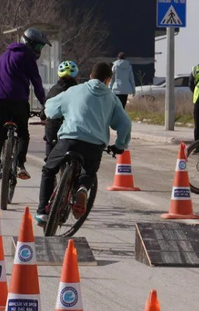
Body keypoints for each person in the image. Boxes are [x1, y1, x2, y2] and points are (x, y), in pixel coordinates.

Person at [38, 62, 132, 224]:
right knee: (88, 173)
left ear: (90, 76)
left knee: (49, 170)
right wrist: (119, 145)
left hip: (69, 140)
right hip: (94, 145)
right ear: (108, 80)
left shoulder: (74, 91)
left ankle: (42, 212)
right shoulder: (112, 99)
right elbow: (125, 123)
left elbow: (51, 109)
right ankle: (82, 188)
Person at [0, 28, 50, 185]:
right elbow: (36, 82)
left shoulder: (3, 56)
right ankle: (19, 165)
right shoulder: (27, 58)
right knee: (23, 134)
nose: (38, 51)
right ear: (29, 43)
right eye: (38, 47)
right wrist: (45, 104)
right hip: (19, 101)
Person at [43, 60, 80, 159]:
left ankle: (48, 164)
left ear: (59, 75)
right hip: (73, 128)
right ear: (76, 76)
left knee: (49, 142)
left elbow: (45, 108)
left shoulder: (53, 90)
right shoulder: (79, 90)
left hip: (53, 128)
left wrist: (42, 115)